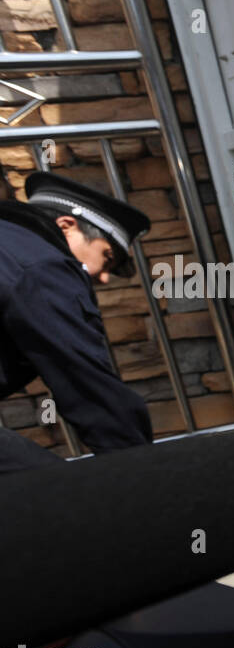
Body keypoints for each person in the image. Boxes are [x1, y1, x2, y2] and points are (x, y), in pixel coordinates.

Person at [0, 172, 152, 473]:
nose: (104, 277)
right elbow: (83, 377)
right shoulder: (42, 266)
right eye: (107, 257)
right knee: (50, 496)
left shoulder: (11, 241)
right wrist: (140, 471)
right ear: (68, 226)